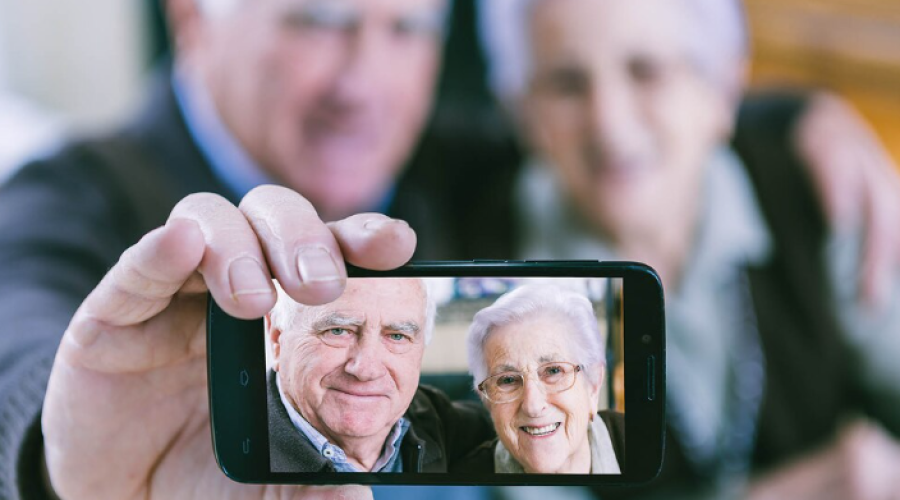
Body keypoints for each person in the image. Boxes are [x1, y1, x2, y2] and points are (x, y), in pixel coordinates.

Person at [0, 0, 898, 498]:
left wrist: (805, 118)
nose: (365, 81)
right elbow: (24, 339)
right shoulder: (66, 199)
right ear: (194, 17)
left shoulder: (436, 166)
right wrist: (59, 454)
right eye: (317, 21)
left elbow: (621, 132)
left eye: (408, 30)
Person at [478, 0, 900, 498]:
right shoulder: (485, 277)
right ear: (524, 115)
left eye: (647, 72)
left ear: (720, 90)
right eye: (567, 84)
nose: (609, 122)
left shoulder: (814, 186)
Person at [265, 278, 493, 473]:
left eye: (397, 336)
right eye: (338, 331)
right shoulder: (245, 459)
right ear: (277, 340)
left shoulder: (453, 429)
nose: (366, 371)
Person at [453, 284, 624, 475]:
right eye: (508, 380)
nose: (532, 406)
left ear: (593, 385)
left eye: (553, 371)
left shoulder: (645, 447)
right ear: (487, 401)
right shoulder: (463, 481)